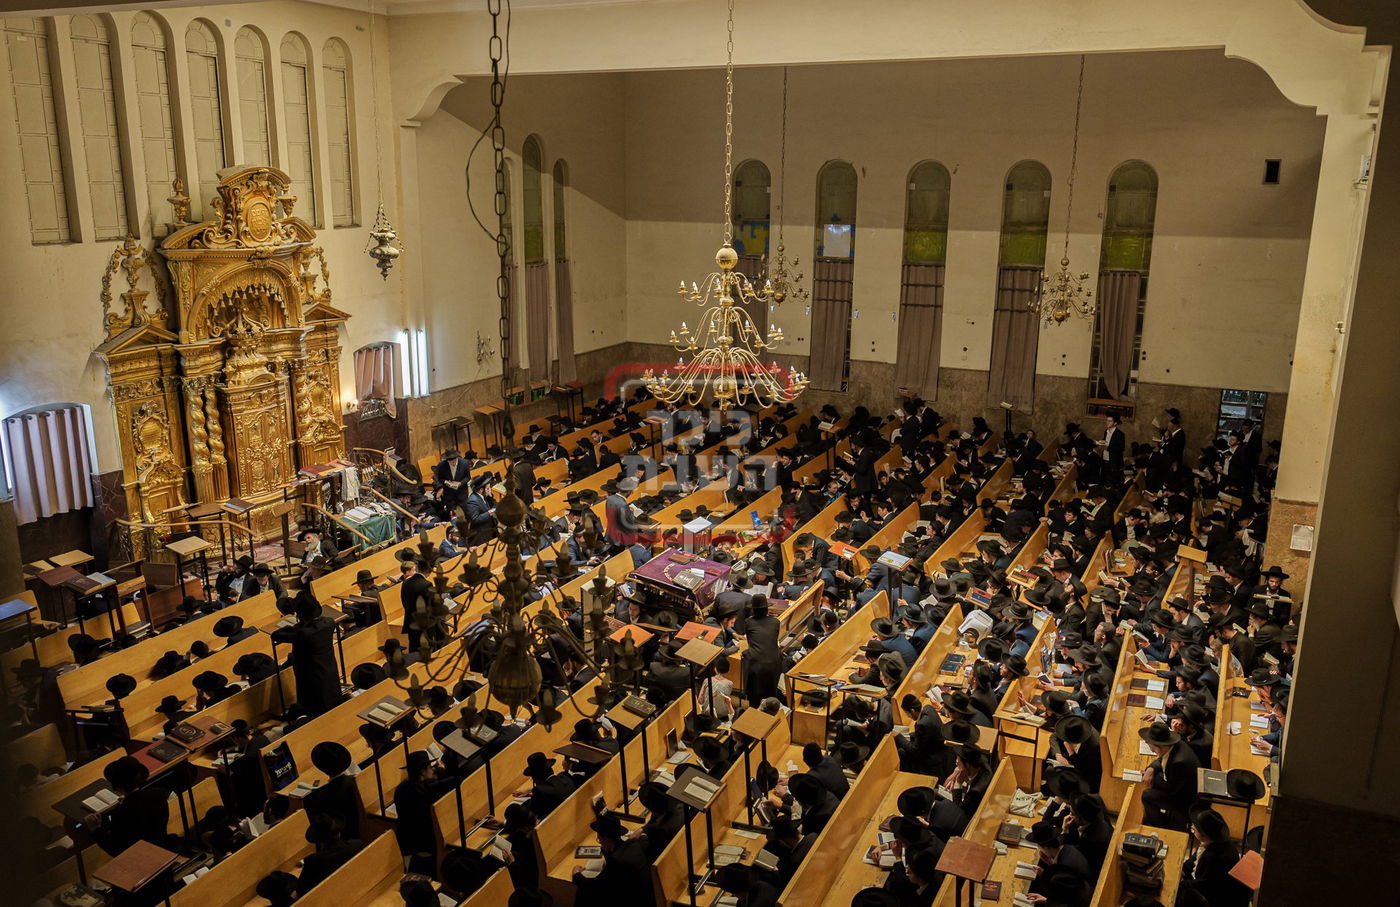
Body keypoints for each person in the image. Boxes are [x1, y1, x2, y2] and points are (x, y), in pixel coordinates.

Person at [271, 591, 343, 717]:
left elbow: (276, 635)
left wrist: (294, 627)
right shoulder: (329, 622)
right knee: (330, 701)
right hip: (329, 670)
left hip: (310, 676)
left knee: (314, 709)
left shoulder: (303, 633)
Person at [84, 755, 170, 856]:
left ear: (117, 786)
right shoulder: (158, 796)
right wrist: (128, 800)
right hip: (162, 850)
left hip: (139, 859)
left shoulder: (121, 812)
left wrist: (95, 830)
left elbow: (116, 850)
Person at [394, 751, 456, 874]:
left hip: (410, 841)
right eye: (430, 768)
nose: (432, 770)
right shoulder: (425, 791)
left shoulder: (402, 788)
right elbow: (450, 782)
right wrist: (442, 772)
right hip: (428, 841)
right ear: (422, 772)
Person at [573, 813, 652, 907]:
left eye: (599, 839)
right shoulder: (633, 844)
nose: (600, 842)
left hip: (632, 901)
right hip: (645, 897)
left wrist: (576, 874)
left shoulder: (617, 861)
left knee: (583, 892)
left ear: (606, 839)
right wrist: (607, 849)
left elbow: (594, 886)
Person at [1178, 809, 1252, 907]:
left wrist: (1181, 883)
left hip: (1217, 898)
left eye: (1193, 830)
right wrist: (1182, 869)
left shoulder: (1215, 858)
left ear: (1203, 835)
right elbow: (1194, 858)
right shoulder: (1212, 842)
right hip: (1208, 884)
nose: (1192, 829)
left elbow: (1203, 885)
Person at [742, 595, 783, 707]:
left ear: (753, 609)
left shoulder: (748, 622)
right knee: (770, 696)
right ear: (766, 609)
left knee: (754, 699)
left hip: (756, 663)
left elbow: (750, 642)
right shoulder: (776, 622)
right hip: (774, 663)